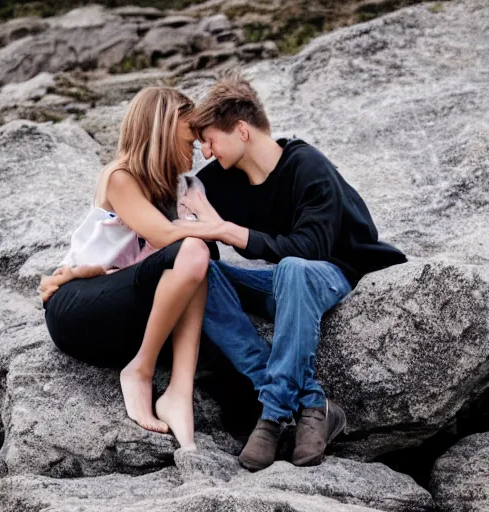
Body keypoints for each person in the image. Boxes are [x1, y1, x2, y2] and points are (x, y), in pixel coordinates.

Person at [175, 75, 408, 470]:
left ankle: (272, 415)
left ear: (242, 130)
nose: (207, 152)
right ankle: (313, 404)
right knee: (198, 273)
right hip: (281, 284)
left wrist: (223, 229)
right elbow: (162, 205)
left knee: (294, 268)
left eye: (211, 140)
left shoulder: (307, 166)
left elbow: (309, 251)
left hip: (335, 272)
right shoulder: (219, 180)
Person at [40, 87, 222, 451]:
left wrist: (206, 226)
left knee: (199, 257)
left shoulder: (184, 186)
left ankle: (178, 392)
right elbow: (165, 235)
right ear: (164, 127)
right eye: (190, 135)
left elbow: (203, 256)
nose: (197, 148)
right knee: (191, 248)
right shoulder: (120, 176)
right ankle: (140, 371)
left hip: (131, 312)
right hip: (80, 308)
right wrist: (220, 226)